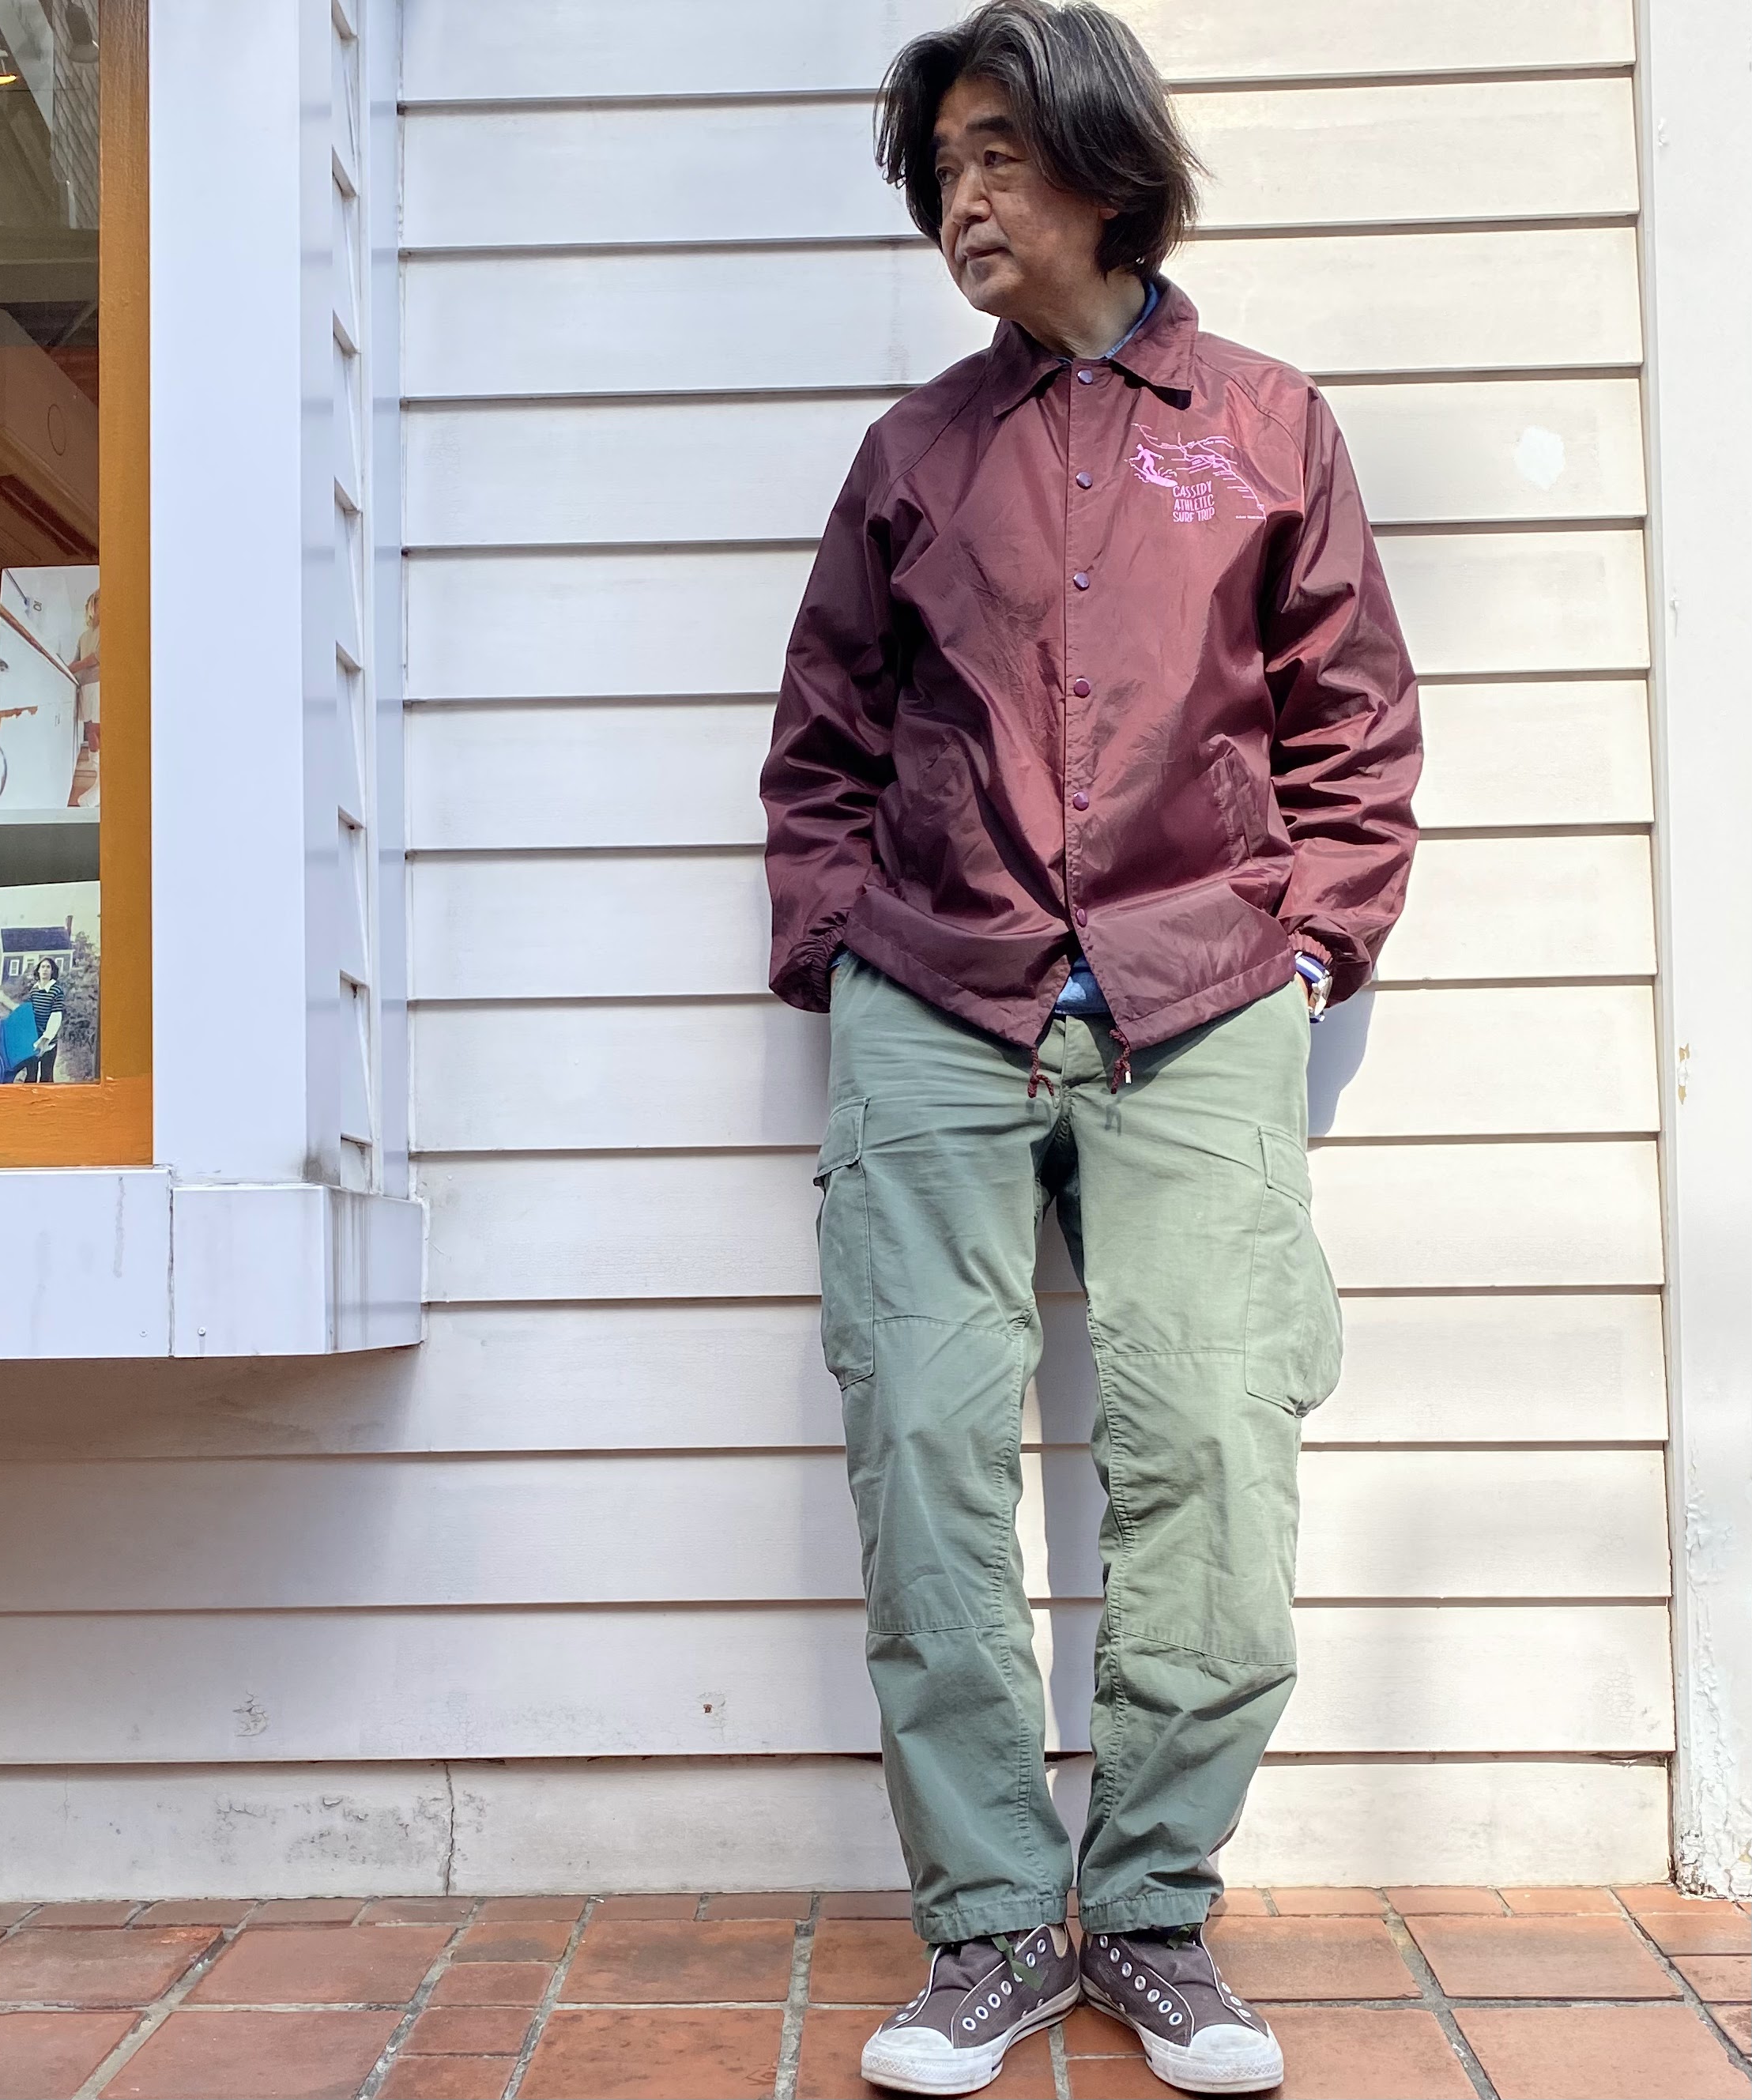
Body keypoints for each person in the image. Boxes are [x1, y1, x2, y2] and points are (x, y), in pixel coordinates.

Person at [759, 6, 1421, 2093]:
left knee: (1212, 1438)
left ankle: (1147, 1913)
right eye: (940, 168)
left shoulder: (1264, 426)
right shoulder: (910, 458)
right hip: (933, 994)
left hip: (1201, 988)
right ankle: (983, 1930)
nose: (960, 200)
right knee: (924, 1439)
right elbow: (821, 744)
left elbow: (1351, 727)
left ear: (1103, 167)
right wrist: (842, 955)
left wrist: (1306, 951)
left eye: (995, 156)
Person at [21, 954, 66, 1083]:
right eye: (43, 967)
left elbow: (56, 1016)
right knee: (30, 1076)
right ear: (38, 970)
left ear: (52, 971)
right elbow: (28, 1013)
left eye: (48, 967)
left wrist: (46, 1038)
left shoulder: (56, 990)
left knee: (46, 1077)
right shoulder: (34, 990)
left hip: (49, 1042)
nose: (45, 970)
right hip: (33, 1040)